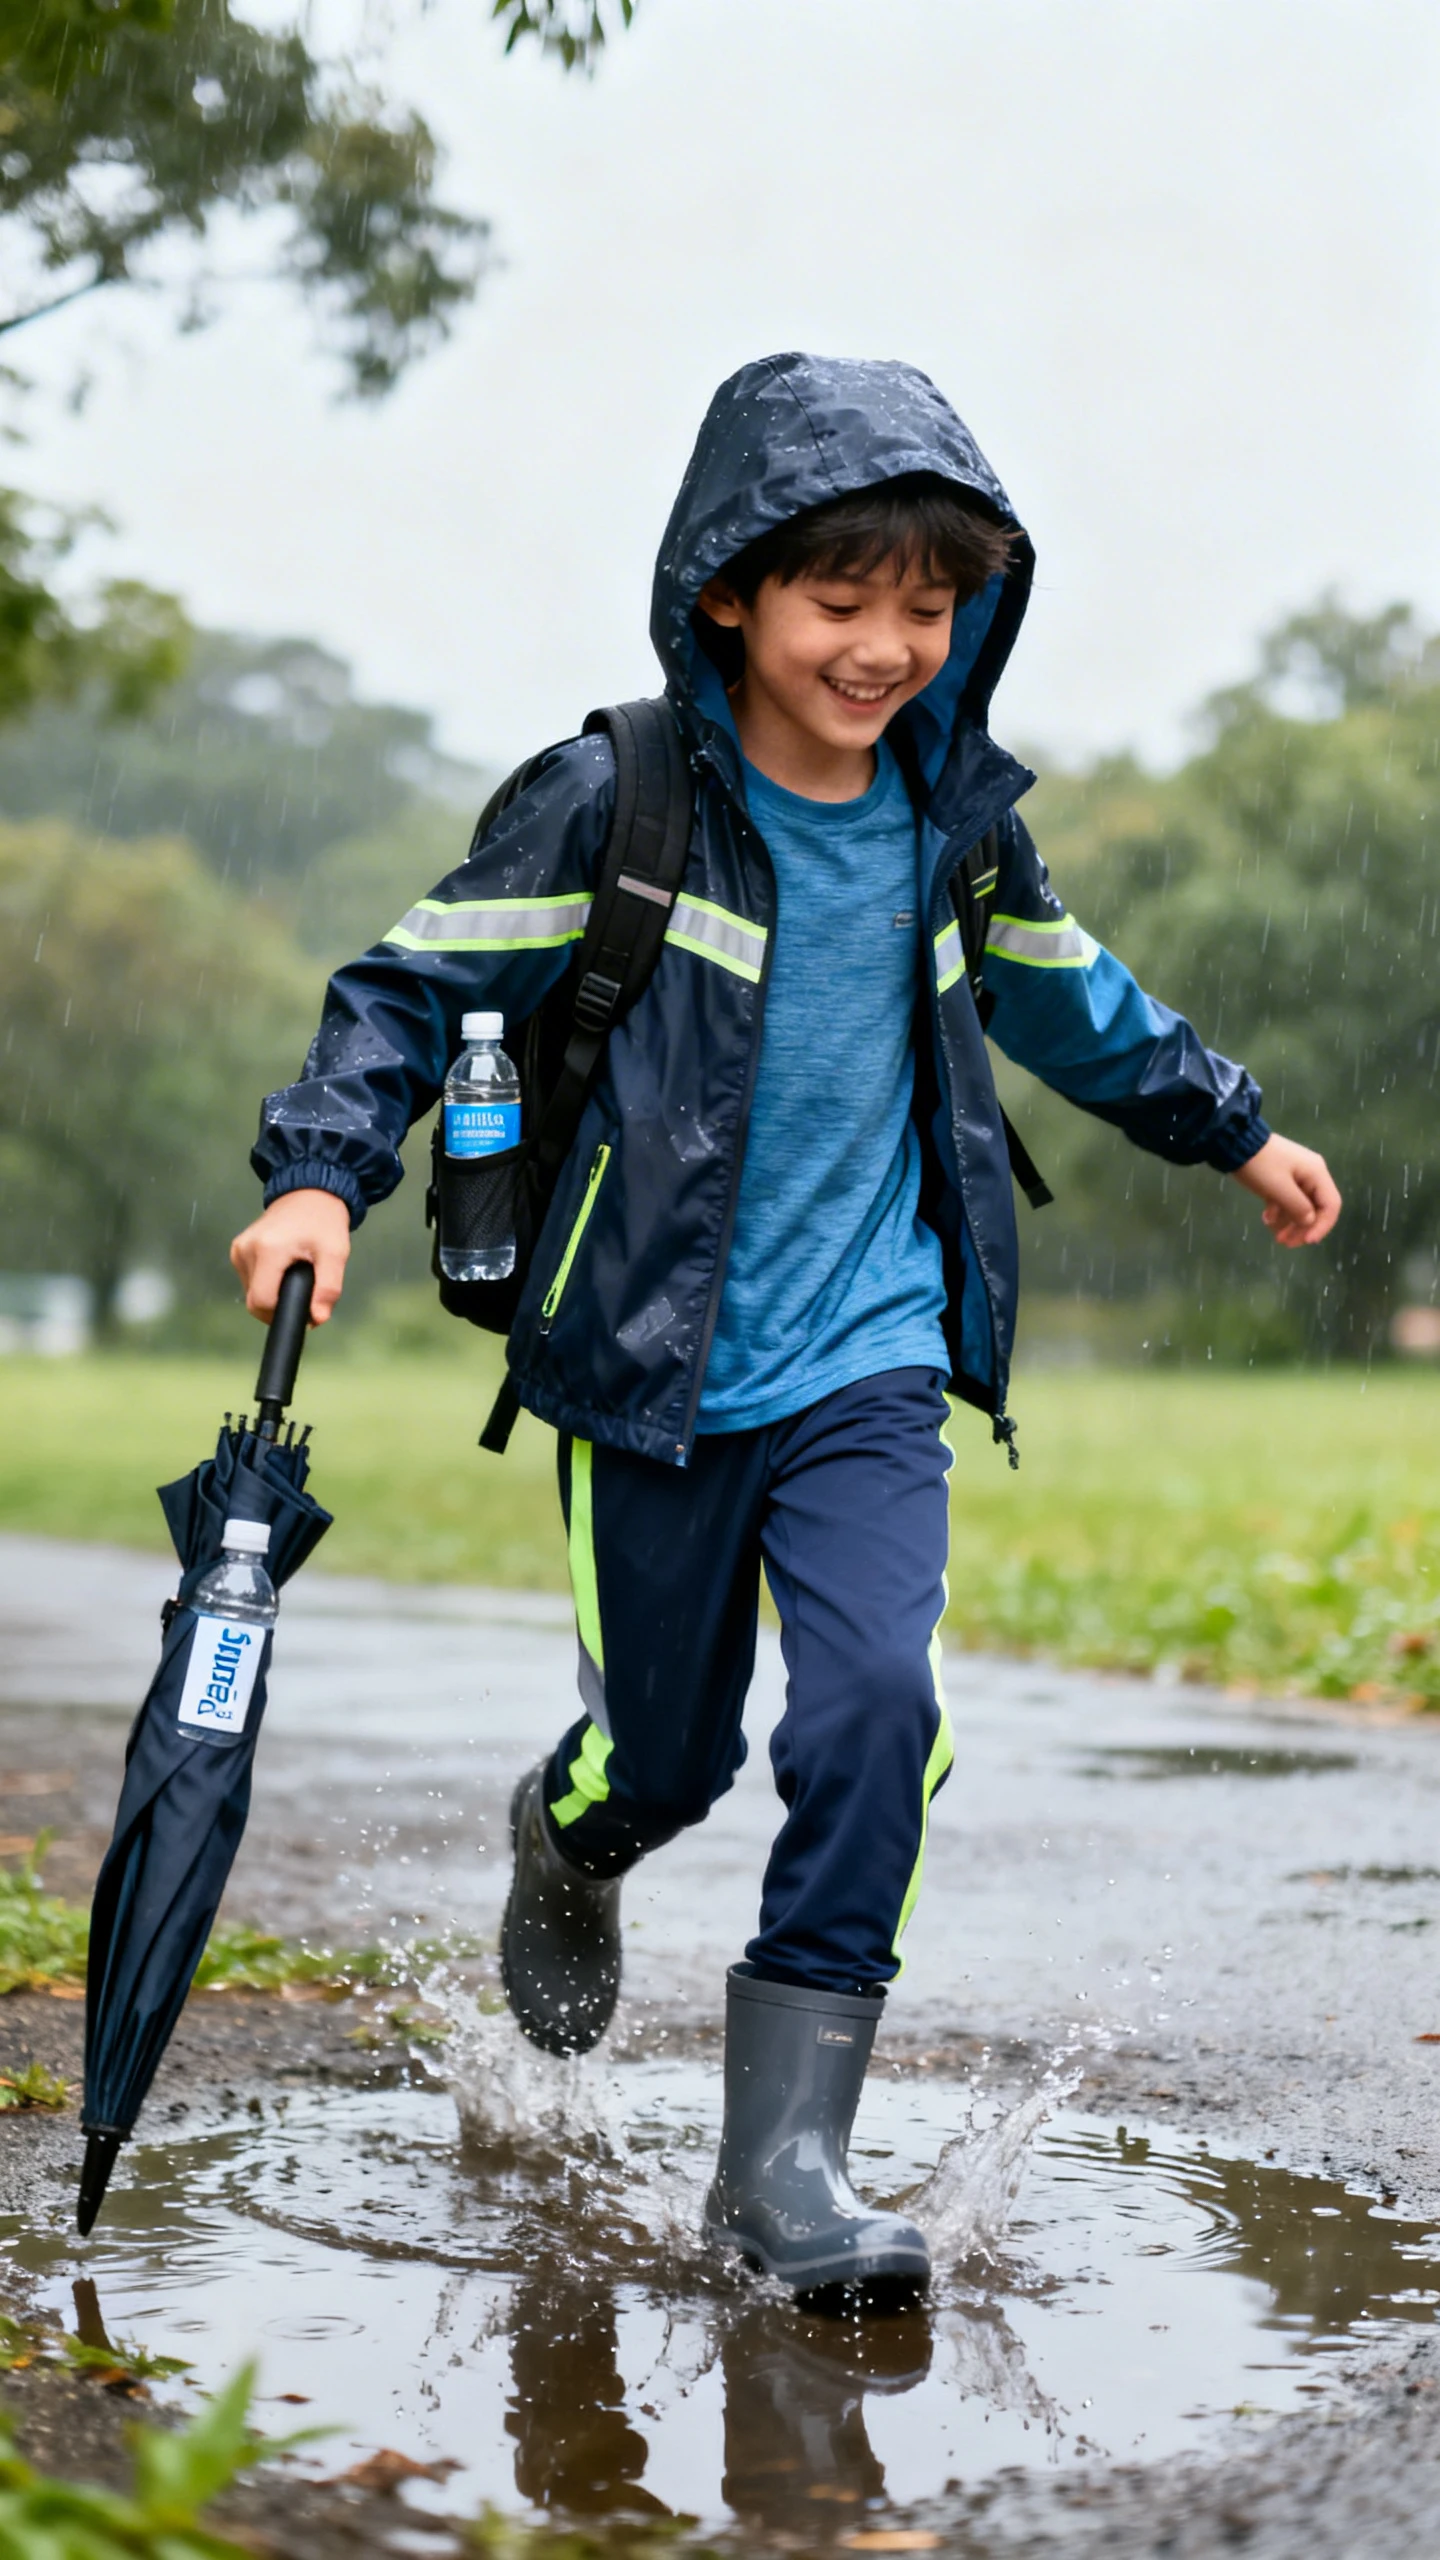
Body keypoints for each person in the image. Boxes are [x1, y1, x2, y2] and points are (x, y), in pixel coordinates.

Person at [231, 353, 1340, 2303]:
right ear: (732, 587)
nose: (888, 646)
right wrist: (323, 1166)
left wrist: (1234, 1125)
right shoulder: (619, 794)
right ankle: (566, 1832)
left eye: (930, 606)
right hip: (646, 1369)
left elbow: (1080, 1002)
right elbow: (410, 987)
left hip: (868, 1355)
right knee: (663, 1760)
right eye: (847, 601)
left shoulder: (955, 824)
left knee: (875, 1710)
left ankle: (789, 2163)